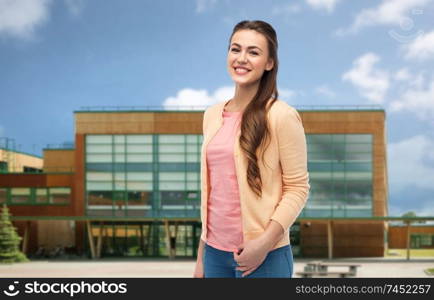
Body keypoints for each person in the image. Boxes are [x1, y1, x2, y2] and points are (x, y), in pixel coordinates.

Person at [193, 20, 310, 278]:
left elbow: (297, 188)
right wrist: (202, 257)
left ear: (269, 63)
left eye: (253, 52)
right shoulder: (211, 115)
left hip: (264, 256)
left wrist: (263, 244)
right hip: (214, 254)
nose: (242, 58)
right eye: (236, 49)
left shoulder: (282, 116)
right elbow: (214, 194)